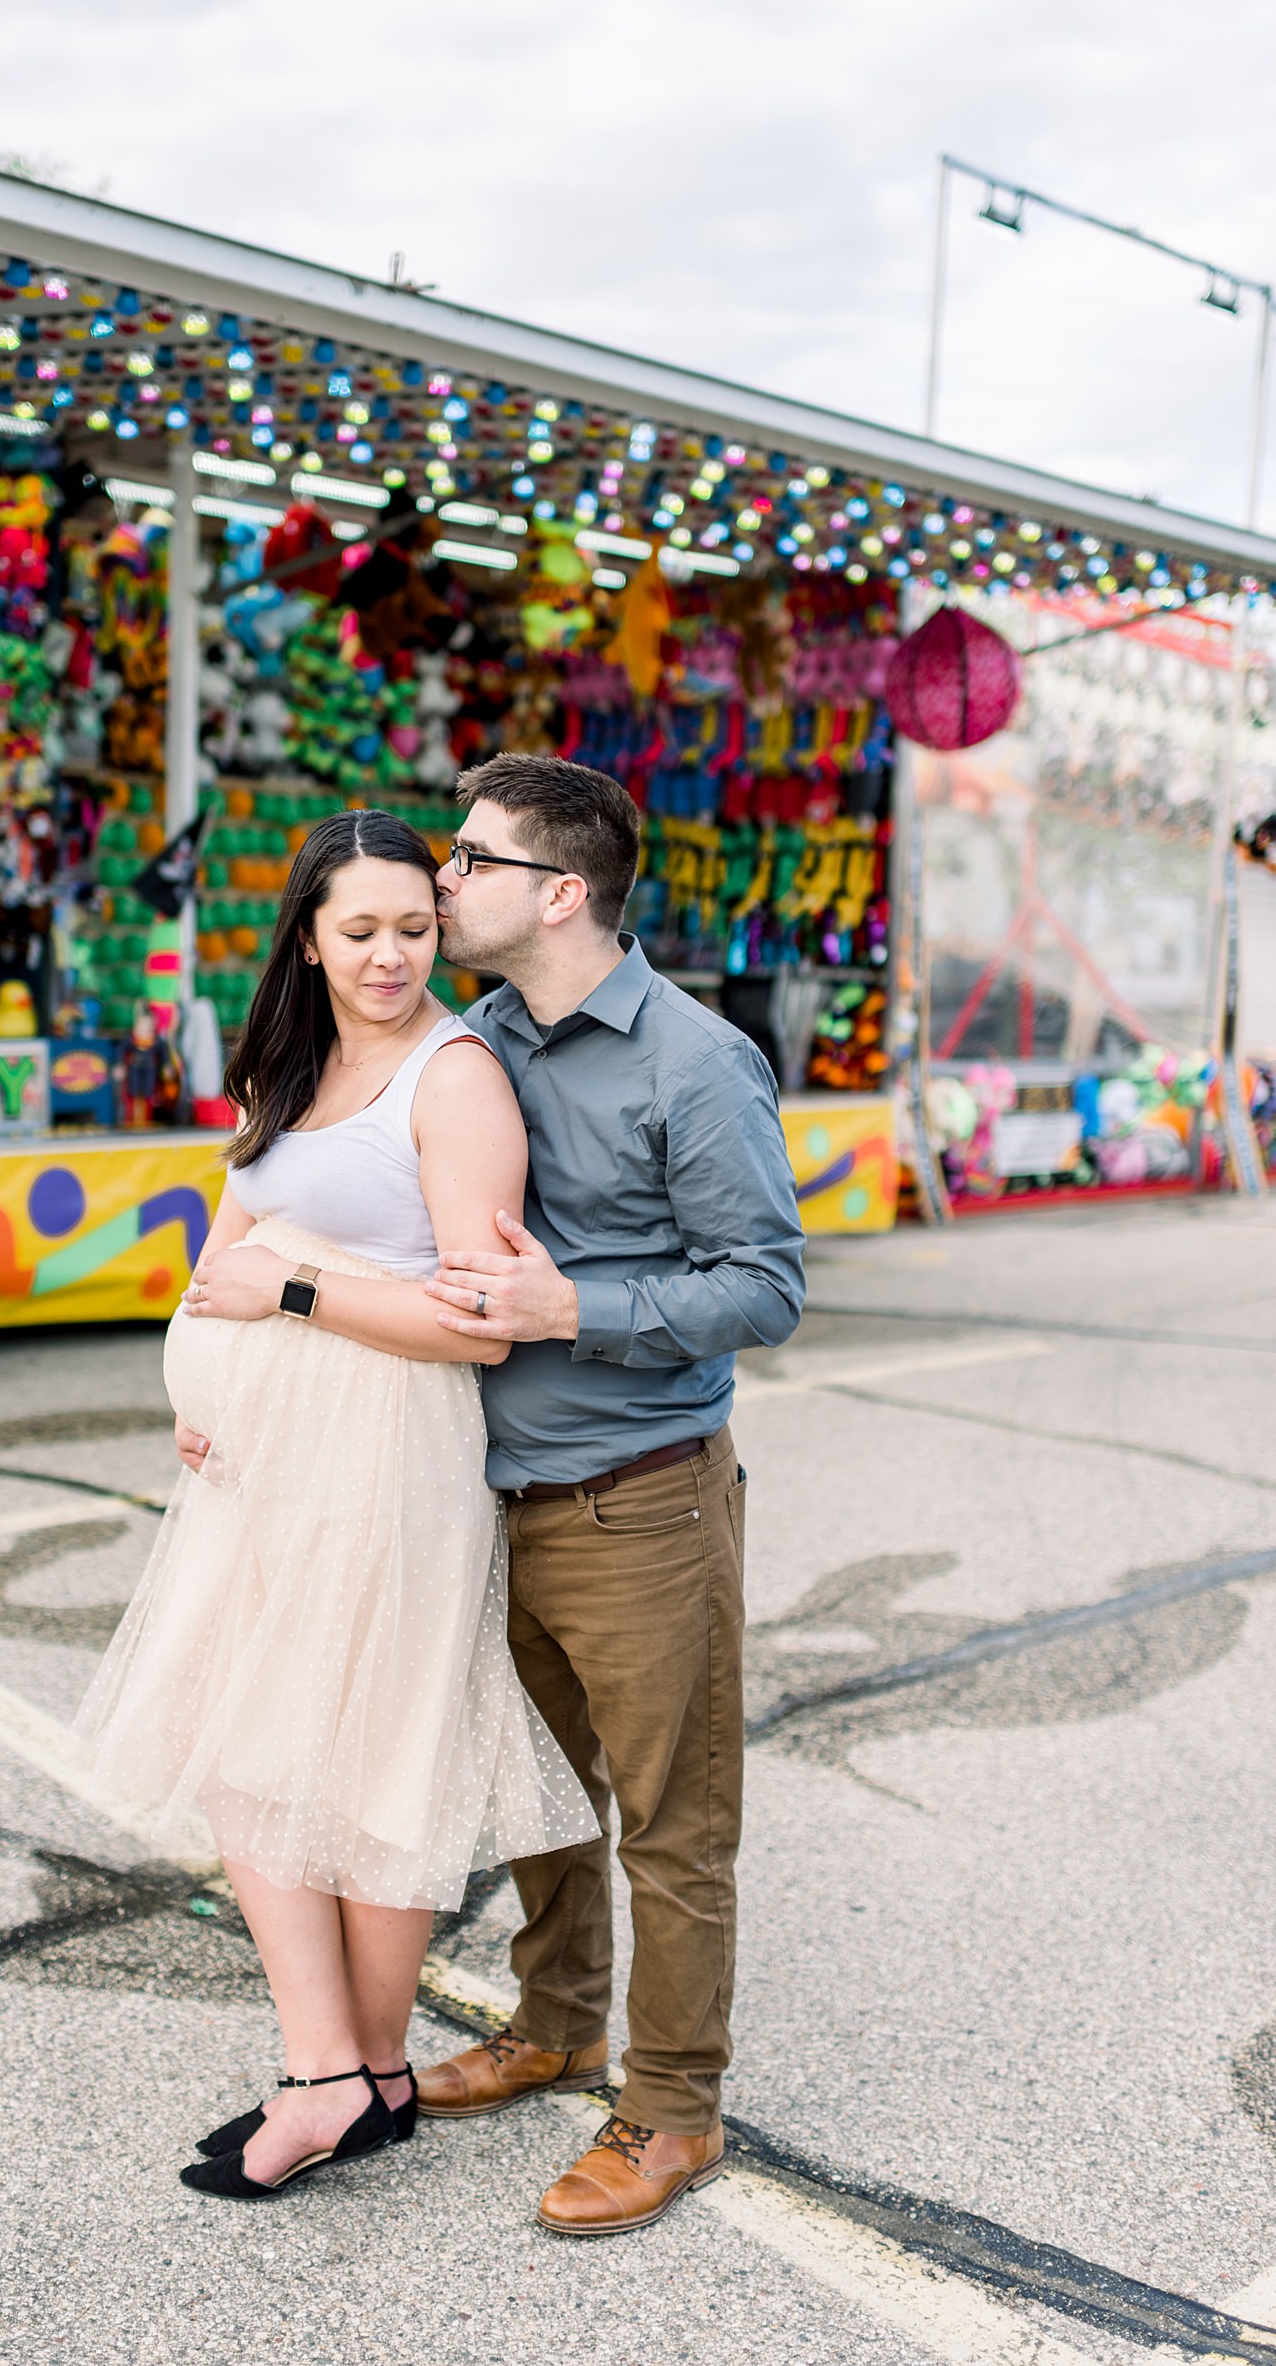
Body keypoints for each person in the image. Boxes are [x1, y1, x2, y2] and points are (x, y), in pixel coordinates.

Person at [76, 808, 597, 2202]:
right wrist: (206, 1383)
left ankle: (323, 2074)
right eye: (358, 931)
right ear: (304, 937)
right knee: (263, 1749)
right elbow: (230, 1241)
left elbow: (479, 1326)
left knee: (354, 1761)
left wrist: (290, 1296)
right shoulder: (288, 1066)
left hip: (383, 1461)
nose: (388, 956)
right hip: (263, 1465)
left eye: (413, 930)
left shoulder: (454, 1075)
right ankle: (358, 2073)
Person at [417, 753, 805, 2238]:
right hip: (491, 1494)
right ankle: (553, 2026)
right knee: (538, 1796)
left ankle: (671, 2110)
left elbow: (762, 1287)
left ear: (559, 892)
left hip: (638, 1504)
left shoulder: (692, 1062)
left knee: (671, 1822)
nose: (444, 880)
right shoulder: (482, 1039)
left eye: (470, 858)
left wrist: (563, 1305)